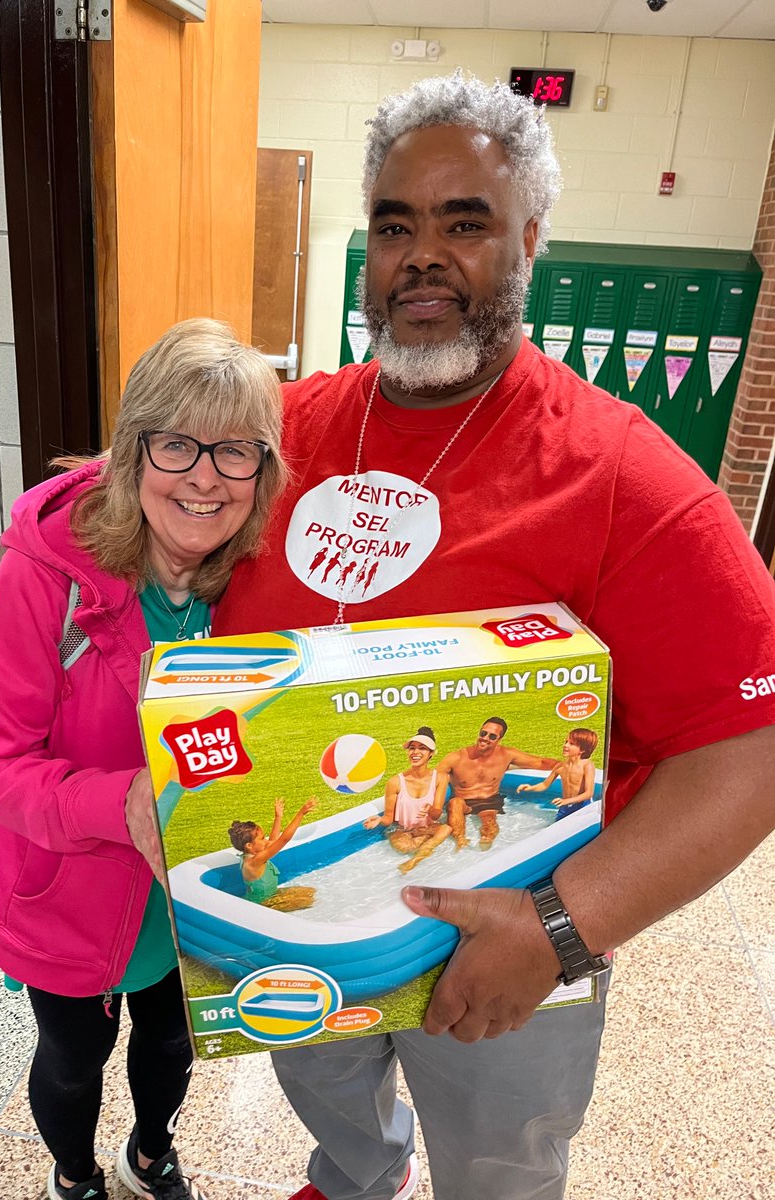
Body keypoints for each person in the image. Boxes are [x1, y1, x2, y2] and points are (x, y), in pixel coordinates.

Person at [212, 73, 775, 1200]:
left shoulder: (625, 479)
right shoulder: (277, 436)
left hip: (507, 936)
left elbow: (748, 749)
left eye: (464, 222)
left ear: (529, 239)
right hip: (309, 921)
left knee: (501, 1164)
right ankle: (360, 1176)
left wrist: (565, 927)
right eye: (395, 224)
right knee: (334, 1114)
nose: (425, 254)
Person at [0, 319, 287, 1200]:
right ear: (133, 451)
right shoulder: (49, 571)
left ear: (264, 468)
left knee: (172, 1043)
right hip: (69, 891)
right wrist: (122, 805)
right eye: (177, 445)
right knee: (71, 1057)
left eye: (236, 451)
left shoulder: (258, 578)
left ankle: (150, 1154)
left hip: (192, 898)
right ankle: (73, 1174)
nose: (206, 477)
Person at [437, 717, 560, 849]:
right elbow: (433, 781)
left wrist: (568, 766)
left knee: (489, 825)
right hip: (462, 800)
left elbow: (541, 763)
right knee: (455, 804)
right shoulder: (456, 758)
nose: (485, 738)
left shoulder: (506, 755)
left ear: (499, 739)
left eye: (492, 736)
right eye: (483, 733)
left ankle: (485, 848)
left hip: (490, 801)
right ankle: (460, 843)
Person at [363, 726, 453, 872]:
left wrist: (430, 810)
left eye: (422, 748)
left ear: (431, 753)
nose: (415, 752)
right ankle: (422, 847)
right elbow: (388, 819)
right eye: (412, 748)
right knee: (405, 847)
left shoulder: (440, 778)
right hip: (402, 830)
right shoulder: (395, 782)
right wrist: (379, 820)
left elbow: (436, 814)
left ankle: (414, 861)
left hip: (426, 828)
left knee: (447, 828)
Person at [229, 797, 318, 910]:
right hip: (263, 904)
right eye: (262, 838)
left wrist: (278, 817)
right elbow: (283, 840)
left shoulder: (252, 855)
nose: (266, 841)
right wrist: (301, 814)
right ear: (249, 846)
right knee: (308, 901)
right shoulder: (254, 862)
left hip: (271, 895)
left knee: (310, 891)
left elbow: (273, 841)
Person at [518, 728, 599, 822]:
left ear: (583, 750)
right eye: (566, 742)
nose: (565, 745)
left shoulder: (587, 765)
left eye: (571, 744)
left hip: (582, 806)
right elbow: (544, 785)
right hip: (565, 807)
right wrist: (529, 788)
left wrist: (566, 801)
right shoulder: (560, 766)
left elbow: (588, 793)